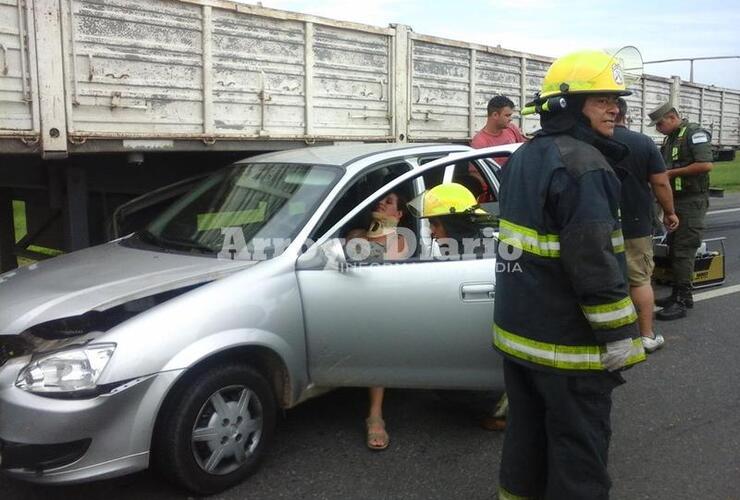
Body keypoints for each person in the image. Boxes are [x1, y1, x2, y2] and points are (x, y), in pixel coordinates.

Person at [493, 49, 646, 500]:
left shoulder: (524, 156)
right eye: (600, 98)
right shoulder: (585, 165)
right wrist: (620, 333)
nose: (614, 107)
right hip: (569, 349)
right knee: (579, 454)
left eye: (616, 98)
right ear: (566, 104)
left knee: (526, 442)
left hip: (519, 340)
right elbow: (595, 260)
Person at [613, 97, 679, 352]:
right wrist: (670, 212)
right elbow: (660, 183)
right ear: (625, 116)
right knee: (640, 279)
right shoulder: (642, 142)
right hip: (636, 222)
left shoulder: (590, 141)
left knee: (603, 279)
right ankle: (645, 336)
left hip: (598, 223)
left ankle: (607, 337)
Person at [346, 191, 408, 450]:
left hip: (380, 308)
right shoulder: (355, 234)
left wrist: (385, 230)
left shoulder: (401, 240)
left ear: (399, 215)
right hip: (346, 302)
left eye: (389, 202)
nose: (381, 202)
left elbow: (386, 274)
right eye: (381, 199)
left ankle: (375, 415)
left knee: (377, 336)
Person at [648, 102, 713, 321]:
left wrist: (672, 174)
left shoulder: (694, 133)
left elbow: (705, 164)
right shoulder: (671, 139)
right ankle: (678, 293)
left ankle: (683, 298)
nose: (658, 129)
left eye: (660, 124)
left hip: (692, 201)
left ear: (672, 117)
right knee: (675, 248)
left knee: (684, 250)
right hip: (677, 201)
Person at [471, 95, 527, 166]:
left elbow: (525, 152)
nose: (511, 119)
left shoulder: (512, 129)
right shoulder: (479, 142)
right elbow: (477, 173)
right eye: (507, 115)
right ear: (495, 115)